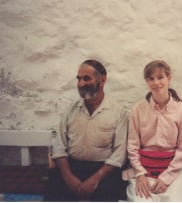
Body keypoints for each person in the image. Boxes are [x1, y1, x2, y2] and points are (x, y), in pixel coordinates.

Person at [46, 59, 128, 201]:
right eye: (79, 79)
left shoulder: (118, 112)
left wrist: (95, 179)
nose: (80, 84)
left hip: (104, 172)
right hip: (71, 169)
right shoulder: (71, 111)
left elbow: (119, 155)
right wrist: (69, 179)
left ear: (102, 80)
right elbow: (59, 148)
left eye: (86, 79)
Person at [126, 60, 182, 201]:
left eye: (160, 77)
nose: (156, 83)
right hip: (144, 168)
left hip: (174, 169)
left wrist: (166, 179)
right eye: (151, 79)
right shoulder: (137, 110)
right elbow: (132, 146)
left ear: (169, 78)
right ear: (146, 81)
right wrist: (140, 174)